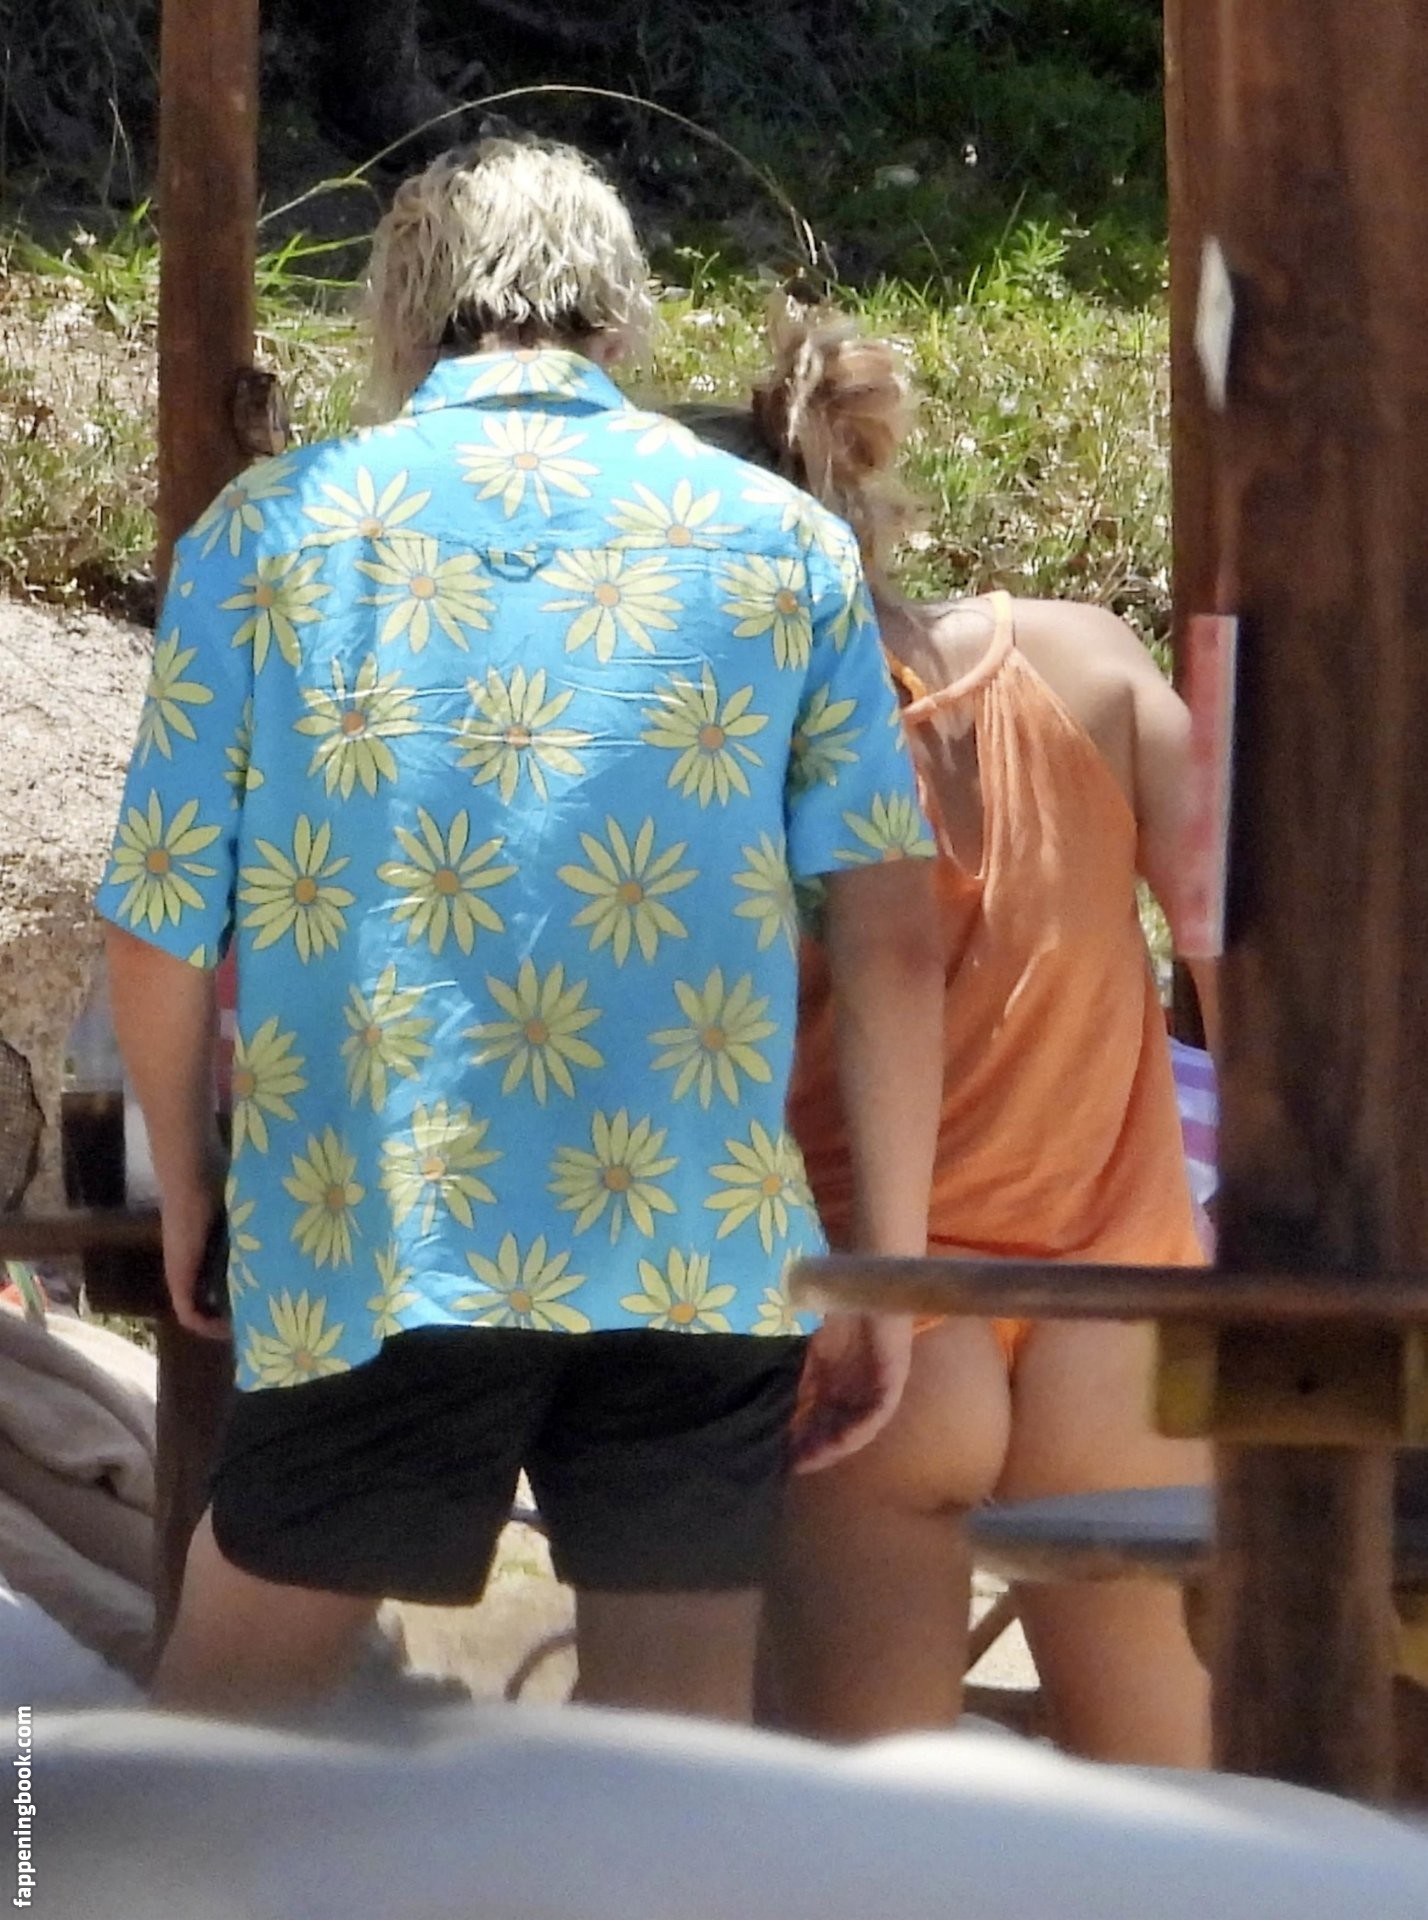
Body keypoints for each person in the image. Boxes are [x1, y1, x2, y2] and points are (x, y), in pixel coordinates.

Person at [96, 142, 943, 1723]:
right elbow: (894, 935)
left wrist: (192, 1186)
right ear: (620, 315)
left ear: (399, 315)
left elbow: (157, 922)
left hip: (372, 1224)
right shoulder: (783, 542)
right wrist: (882, 1264)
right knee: (665, 1787)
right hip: (694, 1242)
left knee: (214, 1756)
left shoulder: (269, 535)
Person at [676, 302, 1218, 1762]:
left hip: (884, 1311)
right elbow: (1242, 944)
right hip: (1122, 1311)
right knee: (1178, 1806)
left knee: (876, 1822)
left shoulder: (728, 754)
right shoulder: (1090, 662)